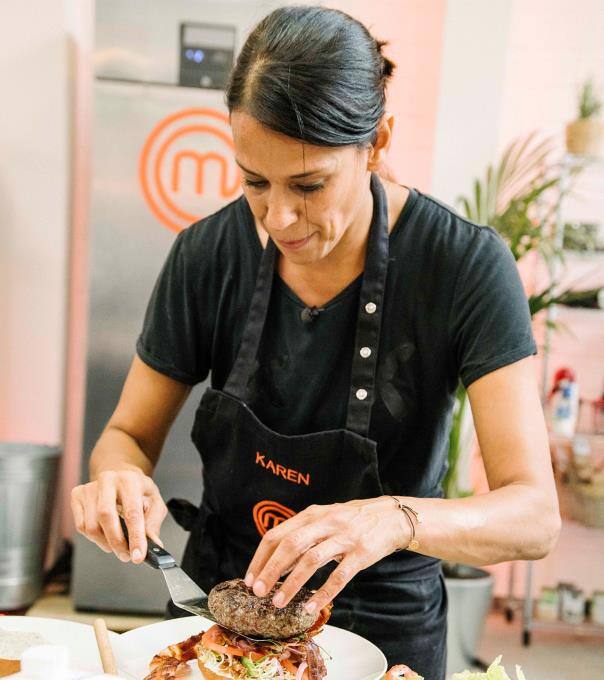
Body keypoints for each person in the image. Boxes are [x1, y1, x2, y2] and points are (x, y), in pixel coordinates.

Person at [71, 6, 560, 677]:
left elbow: (533, 516)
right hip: (218, 618)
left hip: (385, 629)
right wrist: (118, 479)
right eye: (254, 182)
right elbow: (126, 435)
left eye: (309, 185)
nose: (279, 218)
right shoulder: (207, 254)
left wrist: (393, 519)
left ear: (377, 142)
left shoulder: (463, 267)